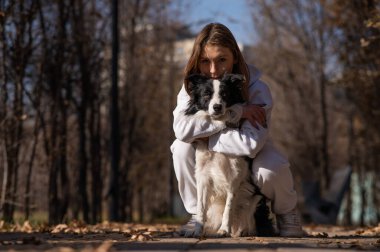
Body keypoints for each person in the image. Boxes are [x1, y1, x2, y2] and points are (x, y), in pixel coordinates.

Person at [170, 23, 303, 237]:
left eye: (222, 59)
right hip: (212, 156)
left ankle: (286, 212)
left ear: (235, 57)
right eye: (206, 61)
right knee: (180, 148)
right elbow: (181, 130)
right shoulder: (192, 86)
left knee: (270, 168)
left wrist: (205, 137)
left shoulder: (257, 89)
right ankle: (197, 214)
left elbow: (248, 145)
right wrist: (236, 114)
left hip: (254, 153)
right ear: (197, 60)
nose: (213, 70)